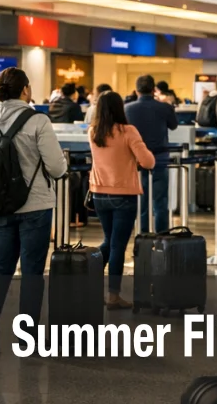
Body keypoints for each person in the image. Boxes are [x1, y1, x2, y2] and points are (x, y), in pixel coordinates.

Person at [0, 67, 67, 330]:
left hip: (1, 204)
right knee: (32, 272)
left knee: (1, 266)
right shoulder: (38, 120)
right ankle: (27, 335)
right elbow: (57, 168)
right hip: (35, 205)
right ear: (25, 89)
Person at [88, 91, 154, 310]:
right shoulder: (128, 131)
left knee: (109, 240)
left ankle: (88, 278)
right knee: (117, 245)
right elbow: (148, 162)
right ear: (120, 108)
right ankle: (113, 296)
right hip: (123, 195)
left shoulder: (93, 132)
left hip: (98, 194)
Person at [125, 74, 178, 232]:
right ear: (154, 90)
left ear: (136, 90)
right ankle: (162, 235)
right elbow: (173, 125)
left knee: (141, 200)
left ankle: (143, 236)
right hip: (160, 158)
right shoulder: (165, 107)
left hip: (136, 159)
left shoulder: (127, 109)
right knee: (160, 201)